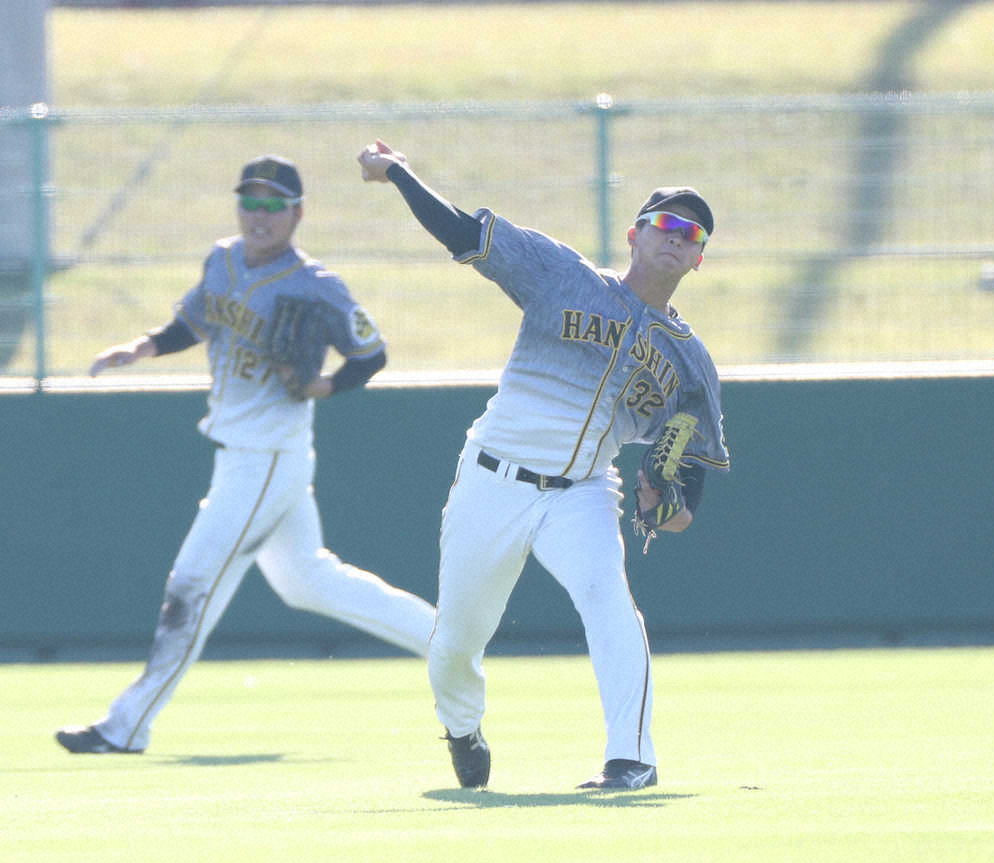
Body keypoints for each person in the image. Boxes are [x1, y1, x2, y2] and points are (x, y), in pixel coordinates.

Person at [358, 139, 730, 791]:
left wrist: (662, 508)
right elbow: (465, 234)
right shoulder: (562, 274)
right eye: (666, 223)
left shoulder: (690, 365)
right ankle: (462, 726)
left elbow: (685, 498)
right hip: (493, 476)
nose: (677, 236)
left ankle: (632, 758)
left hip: (581, 492)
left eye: (692, 234)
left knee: (609, 600)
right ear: (635, 235)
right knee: (455, 644)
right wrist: (398, 174)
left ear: (699, 258)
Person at [55, 155, 435, 755]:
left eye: (273, 205)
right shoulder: (223, 259)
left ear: (297, 213)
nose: (259, 215)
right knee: (307, 581)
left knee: (191, 585)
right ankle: (446, 639)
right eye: (250, 202)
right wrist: (142, 347)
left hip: (268, 456)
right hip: (240, 455)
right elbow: (194, 321)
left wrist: (325, 385)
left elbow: (371, 354)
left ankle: (125, 726)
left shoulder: (317, 284)